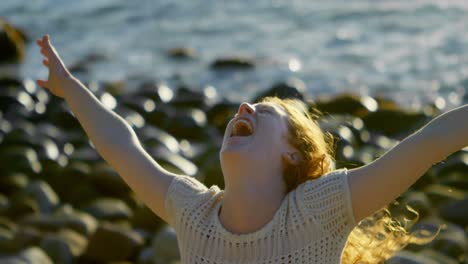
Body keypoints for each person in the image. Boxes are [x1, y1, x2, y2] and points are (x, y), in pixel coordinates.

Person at [36, 34, 467, 263]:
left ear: (293, 154)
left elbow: (430, 143)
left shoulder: (321, 209)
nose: (244, 107)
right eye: (246, 107)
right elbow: (120, 146)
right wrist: (68, 88)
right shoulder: (193, 214)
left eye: (263, 112)